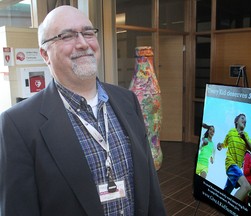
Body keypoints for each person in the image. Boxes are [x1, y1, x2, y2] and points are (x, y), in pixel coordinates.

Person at [0, 6, 166, 216]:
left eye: (88, 33)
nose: (83, 43)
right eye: (67, 36)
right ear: (45, 54)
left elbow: (150, 185)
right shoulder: (18, 125)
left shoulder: (127, 101)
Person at [217, 113, 251, 201]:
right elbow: (224, 144)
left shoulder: (246, 135)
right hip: (230, 164)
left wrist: (244, 138)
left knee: (226, 192)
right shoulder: (231, 132)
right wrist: (220, 146)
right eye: (242, 118)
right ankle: (232, 208)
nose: (244, 121)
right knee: (246, 186)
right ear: (236, 121)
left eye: (246, 121)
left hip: (237, 167)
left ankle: (219, 201)